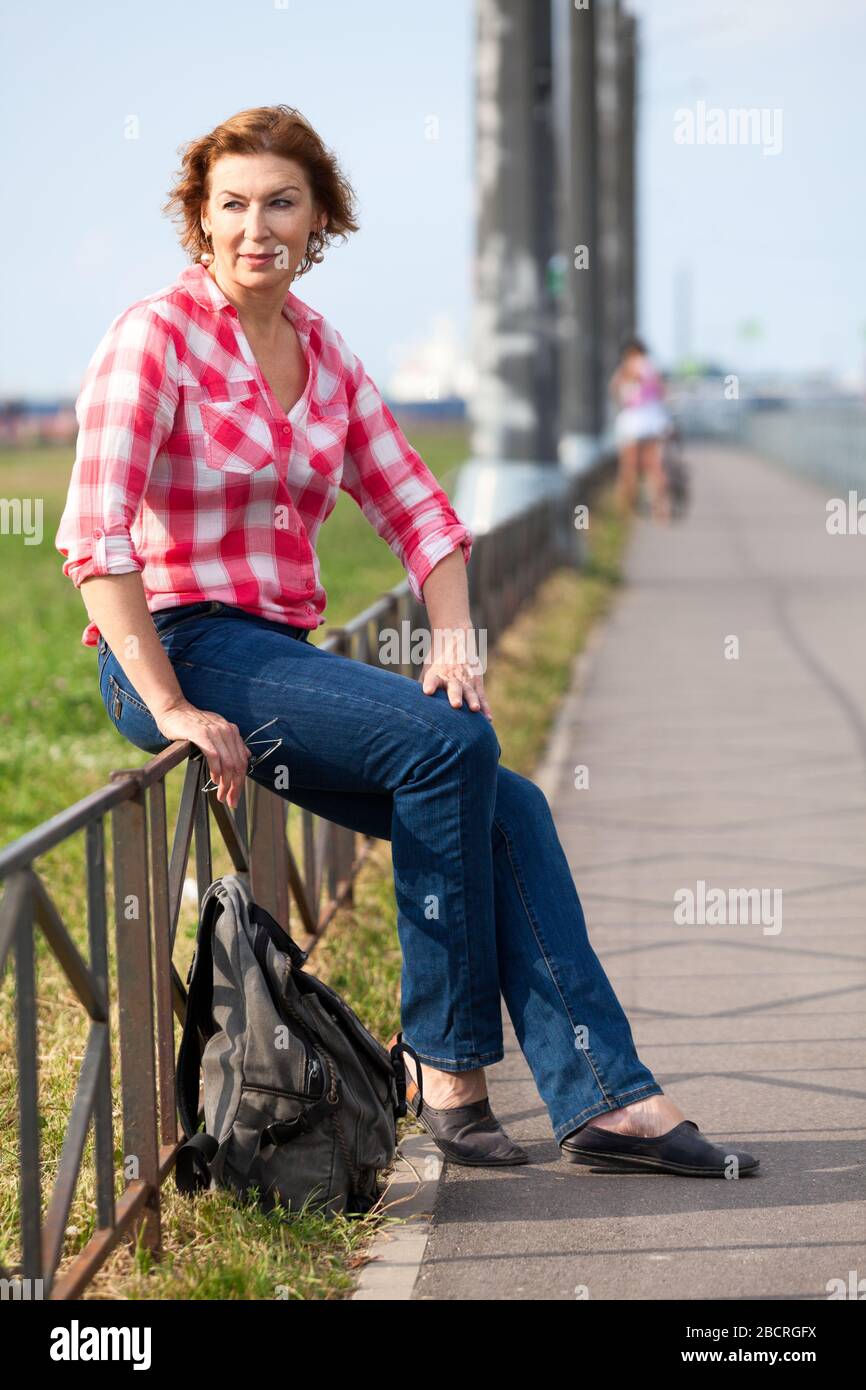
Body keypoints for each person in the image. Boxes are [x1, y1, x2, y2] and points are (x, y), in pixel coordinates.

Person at [55, 105, 757, 1179]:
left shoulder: (324, 353)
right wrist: (170, 708)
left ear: (318, 216)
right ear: (198, 220)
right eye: (231, 203)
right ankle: (444, 1063)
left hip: (272, 650)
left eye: (281, 201)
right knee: (447, 750)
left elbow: (425, 517)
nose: (257, 226)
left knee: (505, 802)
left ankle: (606, 1098)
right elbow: (95, 539)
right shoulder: (156, 338)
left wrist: (453, 646)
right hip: (176, 647)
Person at [610, 336, 673, 522]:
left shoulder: (626, 367)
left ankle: (626, 511)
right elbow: (662, 392)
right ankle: (660, 509)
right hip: (653, 419)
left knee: (628, 467)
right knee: (655, 466)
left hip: (633, 421)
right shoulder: (651, 367)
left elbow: (615, 391)